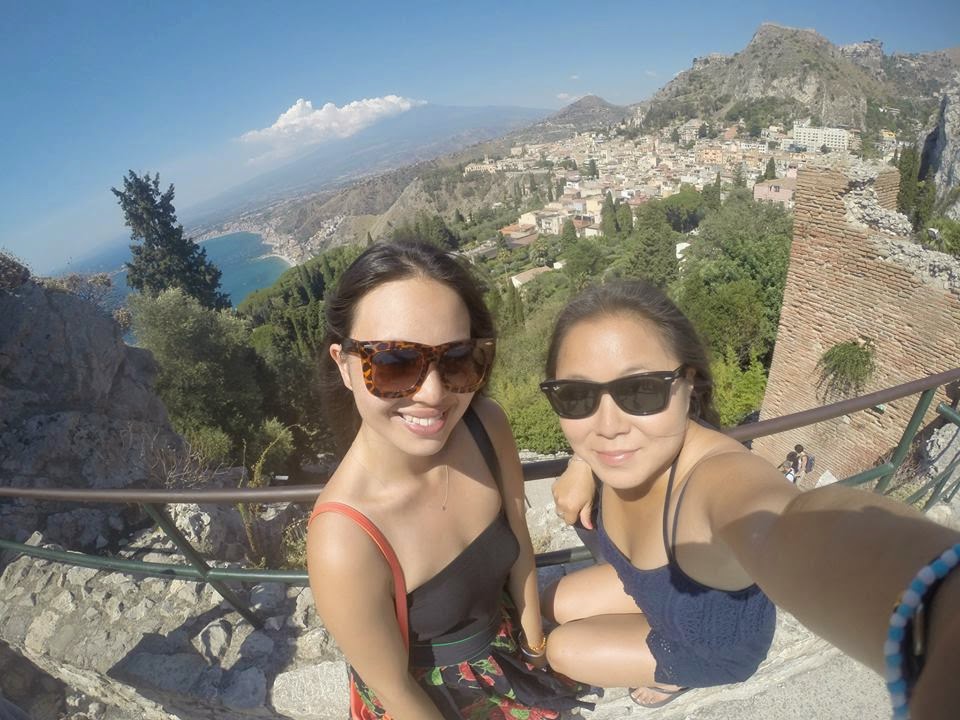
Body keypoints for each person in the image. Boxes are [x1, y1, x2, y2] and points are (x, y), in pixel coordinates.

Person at [540, 280, 960, 719]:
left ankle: (672, 679)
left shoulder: (715, 480)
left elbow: (788, 524)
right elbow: (599, 434)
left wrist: (943, 611)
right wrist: (582, 461)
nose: (607, 427)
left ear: (689, 383)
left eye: (641, 390)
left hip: (709, 646)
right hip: (659, 598)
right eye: (576, 396)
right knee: (554, 601)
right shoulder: (627, 451)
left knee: (563, 650)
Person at [306, 241, 586, 720]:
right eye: (393, 363)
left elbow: (518, 539)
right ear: (344, 364)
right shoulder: (345, 539)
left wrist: (535, 648)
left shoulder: (484, 426)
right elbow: (395, 691)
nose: (433, 394)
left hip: (509, 661)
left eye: (457, 357)